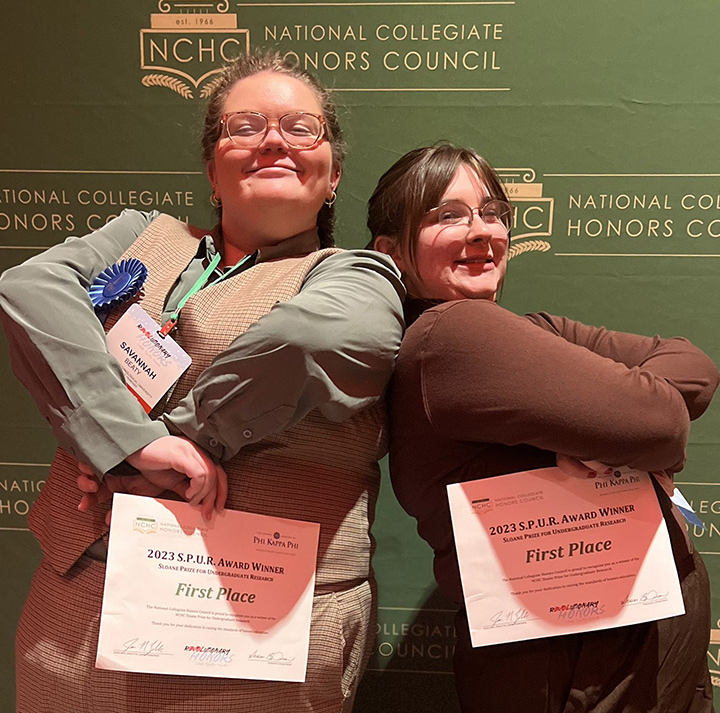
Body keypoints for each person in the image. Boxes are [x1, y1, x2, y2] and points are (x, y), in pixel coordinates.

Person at [0, 51, 404, 712]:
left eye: (301, 127)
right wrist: (129, 441)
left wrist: (155, 454)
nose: (273, 138)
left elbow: (315, 339)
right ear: (213, 170)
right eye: (245, 126)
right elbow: (29, 289)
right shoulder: (142, 235)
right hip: (77, 615)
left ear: (333, 176)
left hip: (252, 631)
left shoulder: (355, 277)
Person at [368, 143, 718, 713]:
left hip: (612, 655)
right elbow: (660, 423)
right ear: (391, 251)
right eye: (448, 214)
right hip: (577, 670)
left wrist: (602, 434)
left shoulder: (531, 331)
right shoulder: (452, 335)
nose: (482, 231)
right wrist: (616, 429)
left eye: (492, 212)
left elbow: (692, 365)